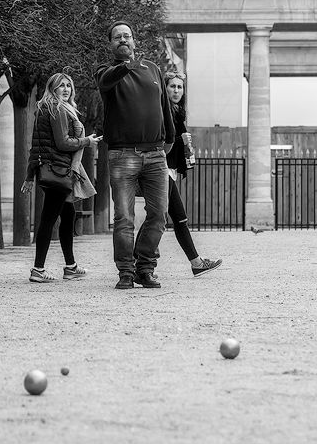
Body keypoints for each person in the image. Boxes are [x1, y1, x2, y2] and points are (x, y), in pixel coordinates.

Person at [96, 21, 174, 290]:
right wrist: (126, 64)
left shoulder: (152, 69)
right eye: (117, 37)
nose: (123, 40)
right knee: (124, 217)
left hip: (155, 153)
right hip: (122, 154)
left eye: (127, 36)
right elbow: (108, 81)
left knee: (159, 214)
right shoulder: (105, 72)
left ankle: (145, 267)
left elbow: (164, 107)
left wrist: (170, 139)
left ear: (135, 40)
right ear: (111, 44)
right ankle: (126, 272)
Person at [22, 73, 101, 283]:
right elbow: (63, 143)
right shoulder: (56, 109)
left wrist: (30, 175)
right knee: (48, 218)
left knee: (67, 215)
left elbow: (36, 145)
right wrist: (86, 141)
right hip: (59, 170)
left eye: (68, 86)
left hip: (51, 169)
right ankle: (38, 269)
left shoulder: (47, 108)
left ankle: (70, 266)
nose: (65, 89)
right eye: (61, 86)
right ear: (52, 89)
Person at [151, 71, 222, 276]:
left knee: (162, 218)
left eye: (180, 87)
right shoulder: (163, 111)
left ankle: (193, 262)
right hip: (160, 168)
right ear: (165, 89)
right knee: (169, 218)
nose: (176, 90)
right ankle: (143, 263)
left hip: (169, 169)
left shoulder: (177, 112)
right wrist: (181, 140)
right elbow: (163, 140)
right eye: (172, 86)